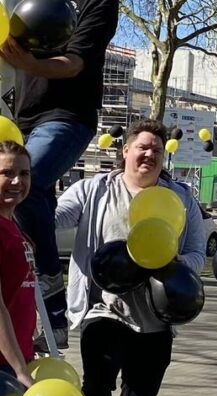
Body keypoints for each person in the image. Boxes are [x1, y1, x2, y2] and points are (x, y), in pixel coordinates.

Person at [54, 120, 205, 396]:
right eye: (143, 147)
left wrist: (175, 266)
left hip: (154, 324)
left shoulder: (180, 198)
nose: (150, 154)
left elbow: (197, 254)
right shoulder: (95, 190)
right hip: (104, 314)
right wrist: (29, 195)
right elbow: (57, 215)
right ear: (125, 151)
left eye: (157, 150)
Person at [0, 0, 121, 351]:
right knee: (19, 199)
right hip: (22, 117)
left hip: (68, 115)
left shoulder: (97, 3)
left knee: (27, 182)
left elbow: (73, 64)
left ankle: (52, 297)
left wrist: (31, 63)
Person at [0, 142, 35, 388]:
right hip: (5, 370)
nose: (17, 182)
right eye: (7, 173)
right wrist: (20, 370)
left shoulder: (14, 227)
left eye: (24, 173)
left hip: (16, 362)